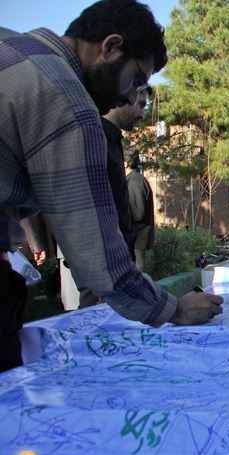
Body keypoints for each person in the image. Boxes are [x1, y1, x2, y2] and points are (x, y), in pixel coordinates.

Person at [0, 0, 223, 372]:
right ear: (111, 46)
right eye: (136, 80)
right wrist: (174, 309)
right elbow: (98, 257)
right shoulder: (67, 103)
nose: (129, 97)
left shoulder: (12, 46)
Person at [72, 85, 152, 309]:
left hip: (117, 263)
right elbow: (87, 211)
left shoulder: (112, 140)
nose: (142, 114)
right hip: (101, 269)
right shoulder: (95, 140)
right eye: (140, 105)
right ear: (127, 93)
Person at [126, 149, 155, 272]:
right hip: (137, 238)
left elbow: (138, 213)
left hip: (136, 238)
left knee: (137, 272)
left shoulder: (133, 181)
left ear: (125, 163)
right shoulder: (135, 179)